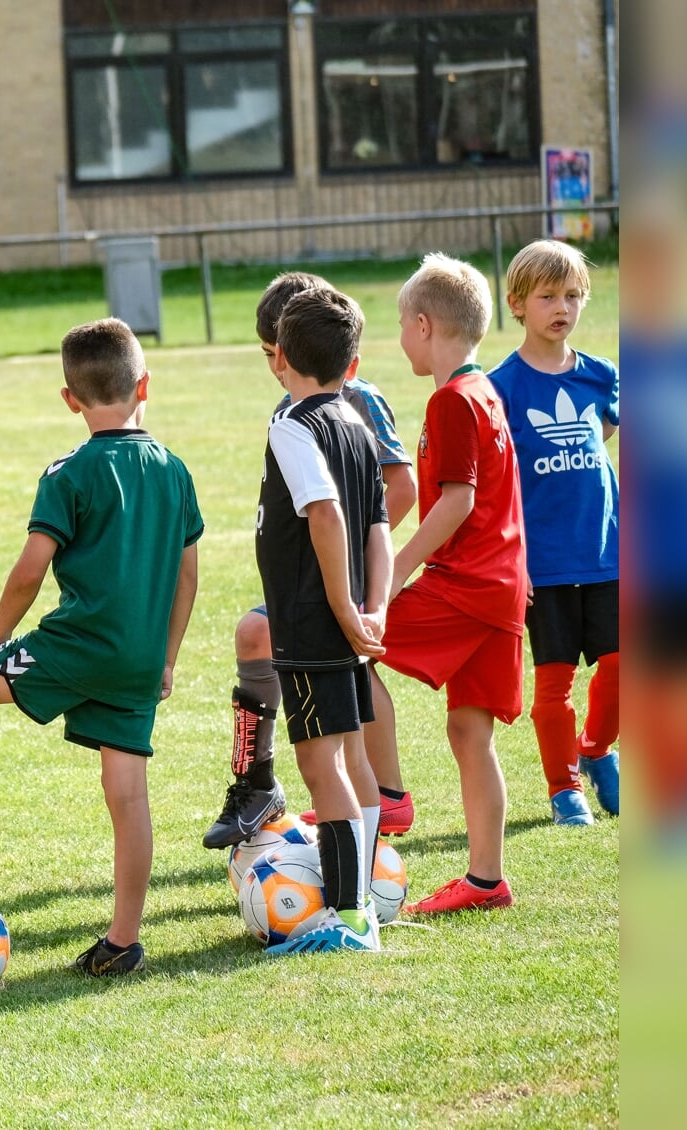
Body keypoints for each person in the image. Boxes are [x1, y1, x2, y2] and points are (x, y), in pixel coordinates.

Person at [0, 319, 202, 976]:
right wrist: (166, 656)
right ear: (144, 385)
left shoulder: (70, 472)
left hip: (75, 645)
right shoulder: (174, 470)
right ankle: (123, 939)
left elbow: (32, 567)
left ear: (70, 399)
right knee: (127, 793)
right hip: (139, 657)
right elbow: (187, 573)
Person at [203, 274, 418, 849]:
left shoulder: (350, 401)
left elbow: (394, 492)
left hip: (339, 587)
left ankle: (384, 804)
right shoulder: (291, 407)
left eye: (280, 354)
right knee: (254, 633)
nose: (274, 366)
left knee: (344, 710)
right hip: (316, 584)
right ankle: (256, 785)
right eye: (267, 355)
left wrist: (357, 587)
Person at [384, 254, 528, 914]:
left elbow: (458, 501)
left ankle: (385, 799)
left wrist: (394, 570)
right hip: (500, 587)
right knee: (470, 734)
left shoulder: (453, 400)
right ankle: (485, 879)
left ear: (423, 324)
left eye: (401, 327)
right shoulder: (484, 391)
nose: (399, 338)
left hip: (467, 586)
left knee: (344, 643)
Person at [253, 287, 391, 954]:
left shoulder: (293, 425)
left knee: (320, 765)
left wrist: (340, 608)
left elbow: (329, 515)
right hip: (350, 617)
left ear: (280, 359)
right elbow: (379, 532)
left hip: (313, 619)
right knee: (352, 755)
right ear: (352, 363)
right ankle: (360, 896)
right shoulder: (359, 424)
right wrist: (375, 607)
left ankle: (349, 915)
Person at [487, 239, 621, 824]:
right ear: (516, 304)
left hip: (608, 553)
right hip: (543, 563)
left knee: (625, 668)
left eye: (572, 295)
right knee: (555, 682)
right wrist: (513, 563)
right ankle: (564, 789)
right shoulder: (501, 387)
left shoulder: (603, 376)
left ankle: (595, 751)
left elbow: (607, 440)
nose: (560, 307)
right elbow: (495, 485)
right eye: (546, 296)